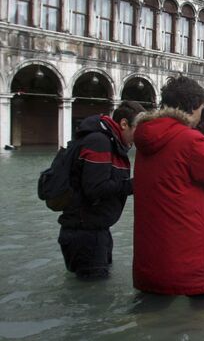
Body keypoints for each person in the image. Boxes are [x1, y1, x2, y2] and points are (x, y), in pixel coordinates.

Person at [132, 76, 204, 306]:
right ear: (192, 107)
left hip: (153, 257)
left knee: (152, 316)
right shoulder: (188, 140)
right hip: (191, 258)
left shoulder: (148, 138)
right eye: (201, 108)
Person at [58, 100, 145, 279]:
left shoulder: (108, 141)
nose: (142, 135)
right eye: (139, 128)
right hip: (85, 235)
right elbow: (95, 188)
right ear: (124, 124)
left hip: (95, 231)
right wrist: (137, 184)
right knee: (91, 294)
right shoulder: (99, 142)